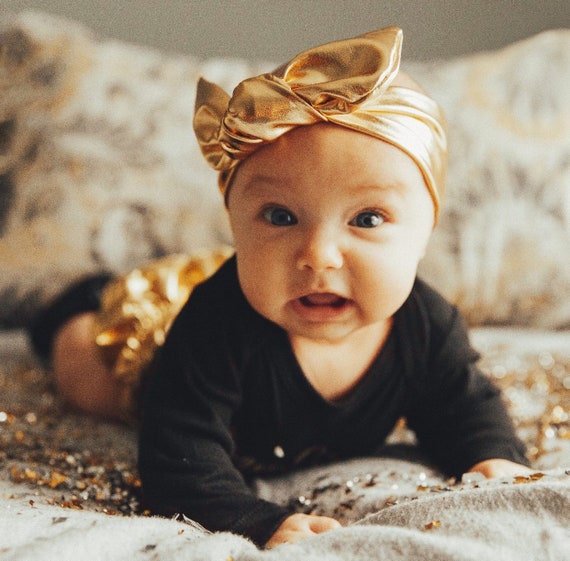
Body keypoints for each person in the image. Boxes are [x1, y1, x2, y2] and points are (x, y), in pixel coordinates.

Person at [28, 27, 531, 548]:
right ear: (235, 225)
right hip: (154, 354)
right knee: (87, 373)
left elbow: (465, 406)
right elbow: (177, 457)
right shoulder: (215, 324)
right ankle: (76, 301)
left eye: (367, 218)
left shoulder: (428, 325)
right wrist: (256, 521)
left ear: (426, 230)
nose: (318, 254)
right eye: (280, 215)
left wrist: (490, 455)